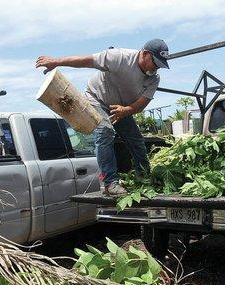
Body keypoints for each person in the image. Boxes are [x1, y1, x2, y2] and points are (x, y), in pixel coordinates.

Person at [36, 38, 170, 196]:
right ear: (145, 54)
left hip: (121, 107)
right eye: (155, 63)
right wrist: (56, 62)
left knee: (136, 139)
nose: (156, 69)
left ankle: (144, 177)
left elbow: (141, 104)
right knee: (105, 131)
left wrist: (126, 110)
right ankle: (110, 183)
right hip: (97, 99)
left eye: (160, 66)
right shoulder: (119, 57)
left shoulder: (154, 78)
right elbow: (86, 60)